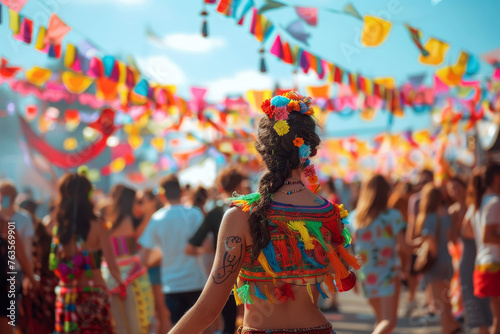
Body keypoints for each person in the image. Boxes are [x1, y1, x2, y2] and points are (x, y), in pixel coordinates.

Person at [169, 91, 361, 334]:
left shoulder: (241, 216)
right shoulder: (330, 214)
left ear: (263, 149)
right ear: (308, 151)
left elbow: (209, 308)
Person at [51, 173, 123, 333]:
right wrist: (122, 285)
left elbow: (54, 263)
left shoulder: (59, 226)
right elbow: (112, 264)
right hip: (94, 293)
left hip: (67, 295)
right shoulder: (98, 225)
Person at [185, 166, 248, 334]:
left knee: (228, 325)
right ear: (241, 186)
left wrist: (209, 253)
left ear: (220, 188)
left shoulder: (215, 212)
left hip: (226, 272)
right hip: (252, 274)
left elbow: (191, 246)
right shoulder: (251, 209)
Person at [138, 175, 206, 326]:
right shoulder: (195, 213)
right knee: (199, 326)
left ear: (162, 195)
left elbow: (144, 259)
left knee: (178, 326)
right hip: (196, 280)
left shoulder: (157, 218)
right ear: (182, 192)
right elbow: (207, 245)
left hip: (171, 284)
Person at [352, 174, 408, 334]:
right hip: (388, 273)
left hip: (366, 274)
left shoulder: (354, 218)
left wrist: (353, 276)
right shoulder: (393, 216)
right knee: (389, 322)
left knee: (381, 320)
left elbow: (350, 250)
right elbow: (403, 247)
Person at [102, 185, 154, 334]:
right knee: (138, 322)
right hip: (133, 275)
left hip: (110, 275)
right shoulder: (133, 220)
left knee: (119, 325)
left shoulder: (106, 219)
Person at [411, 184, 461, 334]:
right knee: (447, 302)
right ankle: (454, 327)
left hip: (437, 262)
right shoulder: (446, 213)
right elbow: (452, 237)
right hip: (449, 260)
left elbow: (430, 237)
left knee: (440, 305)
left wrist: (432, 253)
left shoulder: (429, 216)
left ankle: (447, 329)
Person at [135, 189, 171, 334]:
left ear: (152, 202)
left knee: (162, 311)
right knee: (155, 312)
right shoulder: (143, 219)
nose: (138, 205)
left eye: (141, 201)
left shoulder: (158, 219)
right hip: (146, 270)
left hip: (157, 268)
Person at [460, 169, 492, 334]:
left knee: (483, 309)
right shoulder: (488, 204)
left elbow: (465, 230)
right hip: (482, 260)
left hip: (476, 260)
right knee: (489, 308)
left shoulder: (475, 205)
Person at [0, 181, 34, 330]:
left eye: (9, 194)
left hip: (13, 272)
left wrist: (29, 276)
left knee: (11, 316)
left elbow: (25, 251)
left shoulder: (23, 219)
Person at [472, 163, 500, 334]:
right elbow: (487, 236)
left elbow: (468, 231)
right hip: (494, 263)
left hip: (485, 263)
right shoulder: (494, 201)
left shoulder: (479, 202)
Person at [405, 170, 434, 317]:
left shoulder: (436, 197)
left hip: (431, 239)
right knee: (412, 271)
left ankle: (430, 302)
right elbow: (412, 220)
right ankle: (412, 299)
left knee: (430, 270)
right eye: (421, 181)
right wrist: (410, 241)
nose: (423, 184)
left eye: (426, 181)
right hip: (418, 239)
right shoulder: (415, 199)